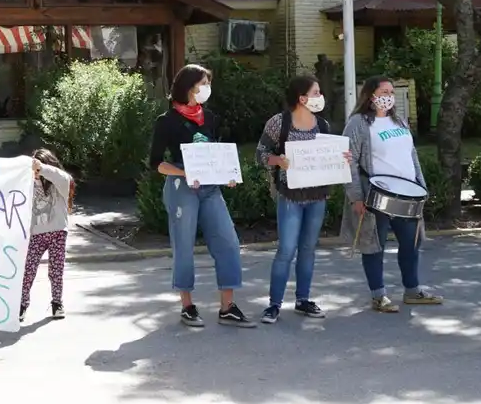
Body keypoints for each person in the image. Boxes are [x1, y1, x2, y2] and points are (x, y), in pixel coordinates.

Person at [147, 64, 253, 327]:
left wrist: (226, 174)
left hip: (210, 187)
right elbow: (156, 163)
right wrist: (183, 173)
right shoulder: (167, 120)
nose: (207, 88)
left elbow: (214, 153)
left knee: (228, 242)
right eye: (203, 83)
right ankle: (187, 306)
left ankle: (227, 307)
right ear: (188, 86)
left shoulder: (211, 117)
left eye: (208, 83)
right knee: (184, 245)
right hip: (182, 187)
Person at [342, 76, 444, 313]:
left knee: (412, 243)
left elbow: (412, 155)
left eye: (391, 91)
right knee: (373, 245)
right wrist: (356, 196)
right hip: (376, 195)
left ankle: (412, 290)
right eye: (383, 92)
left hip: (407, 194)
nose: (389, 96)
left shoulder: (399, 121)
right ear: (370, 95)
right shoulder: (358, 123)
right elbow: (349, 162)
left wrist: (421, 186)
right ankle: (378, 295)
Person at [256, 75, 350, 323]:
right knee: (286, 250)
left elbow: (332, 157)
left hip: (318, 196)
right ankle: (274, 304)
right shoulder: (279, 123)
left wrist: (343, 159)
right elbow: (260, 153)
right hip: (290, 196)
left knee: (308, 249)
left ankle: (303, 300)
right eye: (316, 92)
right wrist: (277, 160)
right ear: (301, 98)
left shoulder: (323, 125)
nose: (320, 97)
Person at [20, 148, 73, 323]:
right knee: (28, 269)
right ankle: (22, 304)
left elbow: (62, 177)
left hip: (58, 232)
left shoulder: (61, 182)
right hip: (36, 233)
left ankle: (57, 303)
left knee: (56, 270)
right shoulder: (30, 183)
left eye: (38, 169)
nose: (36, 173)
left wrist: (41, 168)